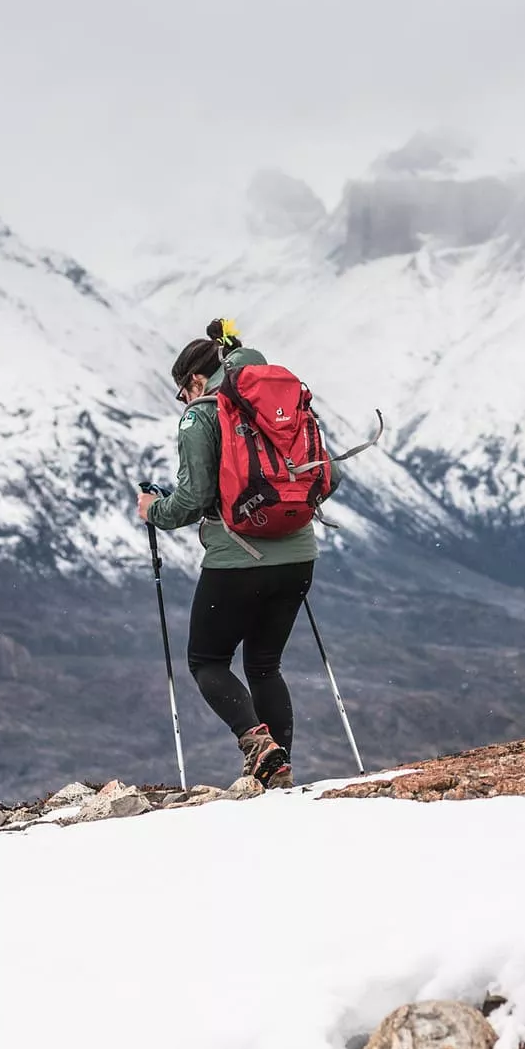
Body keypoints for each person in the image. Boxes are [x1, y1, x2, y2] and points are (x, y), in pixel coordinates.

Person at [138, 320, 315, 789]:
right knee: (264, 665)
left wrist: (154, 510)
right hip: (299, 556)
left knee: (208, 660)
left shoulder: (201, 415)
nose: (183, 400)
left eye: (182, 391)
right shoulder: (283, 401)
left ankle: (259, 747)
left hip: (236, 560)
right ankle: (279, 770)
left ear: (195, 379)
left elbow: (192, 498)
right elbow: (326, 477)